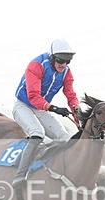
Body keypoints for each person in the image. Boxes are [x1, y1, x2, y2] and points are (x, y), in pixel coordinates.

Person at [12, 38, 81, 190]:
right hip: (23, 106)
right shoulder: (36, 65)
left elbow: (70, 94)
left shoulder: (66, 72)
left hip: (41, 109)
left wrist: (76, 109)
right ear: (52, 57)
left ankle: (62, 173)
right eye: (61, 60)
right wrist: (54, 108)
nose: (64, 65)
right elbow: (33, 96)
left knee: (64, 138)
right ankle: (19, 176)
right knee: (37, 133)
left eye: (68, 61)